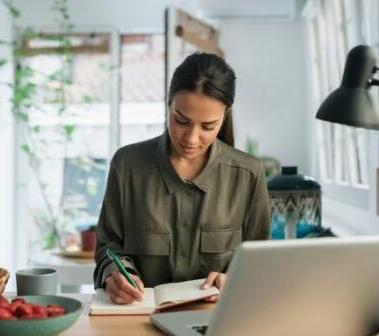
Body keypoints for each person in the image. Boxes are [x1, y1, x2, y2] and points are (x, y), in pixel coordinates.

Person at [93, 52, 270, 304]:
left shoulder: (249, 174)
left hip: (217, 321)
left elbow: (260, 262)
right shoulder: (127, 166)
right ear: (168, 105)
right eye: (181, 120)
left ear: (225, 116)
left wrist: (236, 280)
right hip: (138, 319)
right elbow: (108, 247)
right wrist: (116, 275)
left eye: (208, 126)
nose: (191, 138)